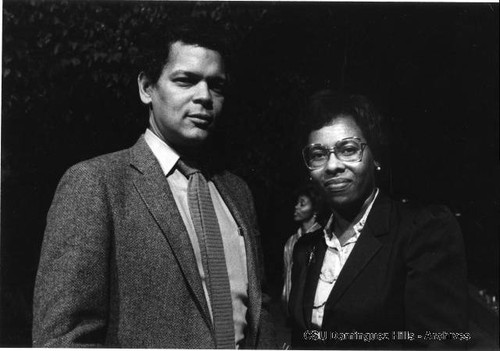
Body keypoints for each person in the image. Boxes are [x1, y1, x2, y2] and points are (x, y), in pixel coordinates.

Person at [32, 20, 276, 348]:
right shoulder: (96, 184)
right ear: (147, 88)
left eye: (216, 85)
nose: (204, 96)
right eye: (186, 80)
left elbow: (257, 314)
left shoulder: (238, 192)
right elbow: (63, 338)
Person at [288, 90, 468, 349]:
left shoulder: (422, 231)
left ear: (376, 158)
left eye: (348, 149)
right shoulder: (307, 248)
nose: (332, 165)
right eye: (318, 154)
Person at [281, 185, 323, 310]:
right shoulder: (291, 241)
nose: (296, 206)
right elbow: (287, 275)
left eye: (302, 204)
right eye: (297, 203)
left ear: (315, 210)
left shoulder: (323, 240)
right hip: (291, 311)